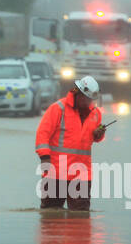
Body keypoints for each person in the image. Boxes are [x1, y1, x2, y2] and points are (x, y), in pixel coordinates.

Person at [35, 75, 107, 210]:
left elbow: (92, 139)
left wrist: (99, 135)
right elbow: (42, 134)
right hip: (55, 172)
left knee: (81, 218)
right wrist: (44, 158)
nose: (89, 103)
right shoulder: (58, 109)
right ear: (78, 94)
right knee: (51, 216)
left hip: (82, 173)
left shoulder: (96, 114)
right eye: (87, 99)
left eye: (91, 99)